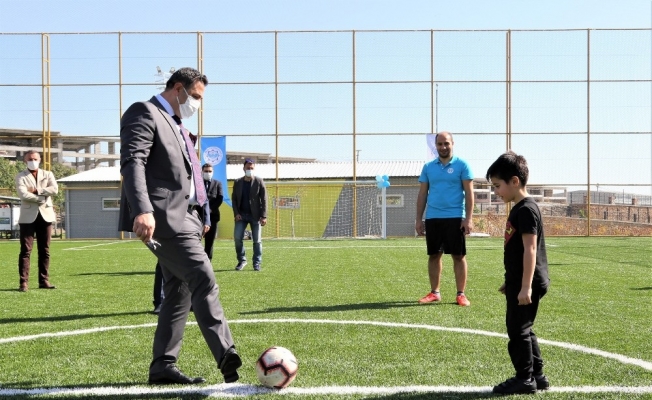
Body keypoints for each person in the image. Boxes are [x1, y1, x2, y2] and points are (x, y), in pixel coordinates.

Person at [119, 67, 241, 385]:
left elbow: (189, 176)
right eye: (195, 96)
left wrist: (202, 215)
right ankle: (227, 355)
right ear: (177, 88)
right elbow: (133, 162)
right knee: (202, 276)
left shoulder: (178, 124)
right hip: (162, 216)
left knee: (179, 290)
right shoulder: (144, 111)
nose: (197, 104)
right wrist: (143, 210)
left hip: (188, 217)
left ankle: (163, 366)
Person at [486, 151, 550, 395]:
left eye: (497, 186)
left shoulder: (525, 210)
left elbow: (530, 249)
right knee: (525, 327)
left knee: (517, 330)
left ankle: (524, 378)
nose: (496, 192)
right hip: (521, 280)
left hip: (527, 282)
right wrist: (511, 280)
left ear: (514, 181)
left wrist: (525, 286)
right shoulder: (520, 208)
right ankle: (537, 375)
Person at [415, 131, 474, 307]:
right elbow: (422, 194)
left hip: (455, 217)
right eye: (440, 144)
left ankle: (461, 294)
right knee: (434, 255)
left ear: (452, 144)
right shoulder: (428, 167)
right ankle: (435, 292)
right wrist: (418, 219)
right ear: (436, 146)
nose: (443, 147)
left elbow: (469, 193)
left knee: (458, 256)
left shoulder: (462, 165)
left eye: (446, 143)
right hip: (433, 217)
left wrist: (468, 218)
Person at [15, 150, 58, 292]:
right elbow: (23, 194)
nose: (32, 161)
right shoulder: (20, 176)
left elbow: (54, 189)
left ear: (39, 160)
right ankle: (23, 282)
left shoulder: (48, 174)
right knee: (26, 250)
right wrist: (41, 197)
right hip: (27, 217)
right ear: (24, 161)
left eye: (35, 159)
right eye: (29, 159)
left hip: (46, 215)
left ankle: (44, 280)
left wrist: (37, 191)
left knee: (45, 250)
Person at [231, 158, 267, 271]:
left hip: (255, 216)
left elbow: (264, 199)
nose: (249, 170)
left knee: (257, 240)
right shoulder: (238, 182)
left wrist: (264, 216)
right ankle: (242, 260)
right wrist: (236, 213)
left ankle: (257, 263)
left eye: (251, 168)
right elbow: (234, 199)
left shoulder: (259, 181)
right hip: (241, 215)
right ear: (244, 168)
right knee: (237, 238)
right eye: (248, 168)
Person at [202, 163, 224, 261]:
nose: (208, 173)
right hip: (198, 217)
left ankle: (208, 262)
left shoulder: (217, 183)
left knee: (209, 242)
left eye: (210, 171)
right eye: (206, 171)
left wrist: (209, 209)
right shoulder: (197, 184)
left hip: (213, 217)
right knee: (195, 241)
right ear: (202, 172)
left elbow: (220, 199)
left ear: (213, 172)